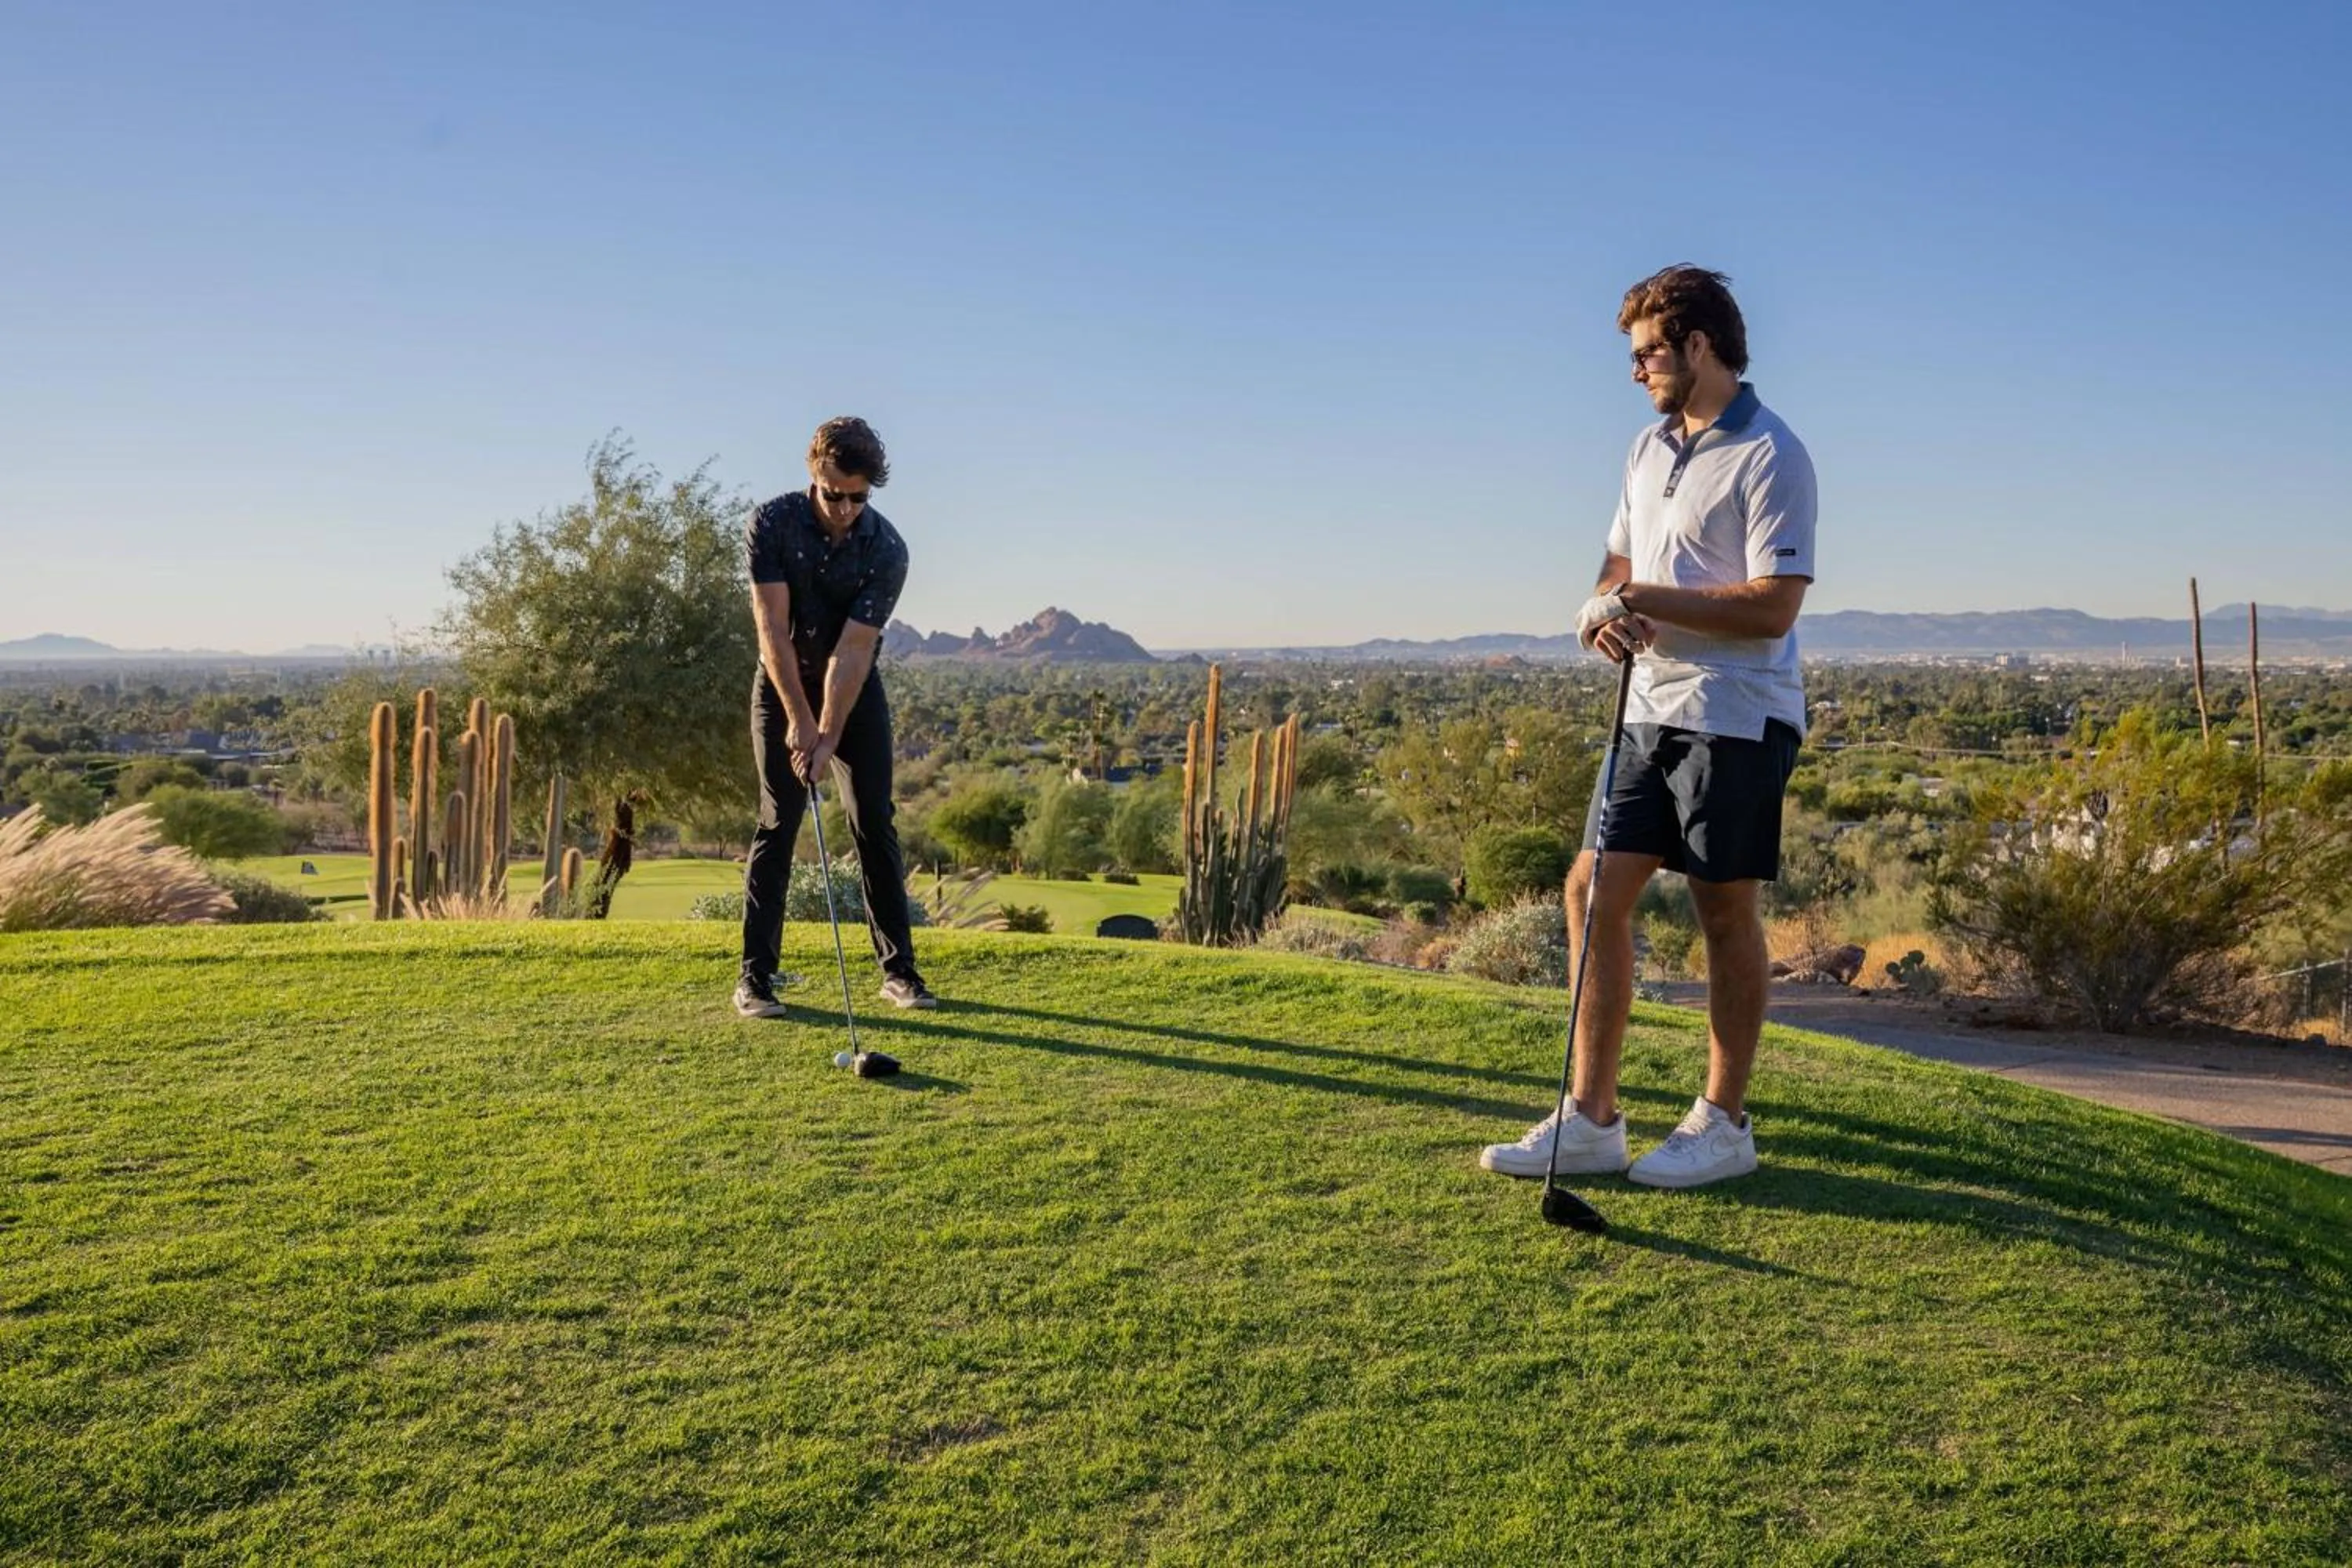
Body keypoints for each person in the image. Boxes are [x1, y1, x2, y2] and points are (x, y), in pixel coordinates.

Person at [1481, 265, 1817, 1189]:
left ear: (1700, 345)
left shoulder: (1772, 453)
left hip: (1738, 718)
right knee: (1591, 891)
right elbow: (1618, 564)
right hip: (1649, 707)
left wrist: (1639, 596)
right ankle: (1592, 1119)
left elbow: (1771, 606)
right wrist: (1605, 611)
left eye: (1649, 352)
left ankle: (1725, 1121)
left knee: (1722, 910)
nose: (1637, 371)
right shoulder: (1645, 449)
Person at [733, 416, 937, 1018]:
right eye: (834, 494)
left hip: (852, 691)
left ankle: (899, 973)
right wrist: (799, 721)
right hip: (781, 682)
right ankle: (755, 980)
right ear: (812, 473)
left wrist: (829, 732)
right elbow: (771, 631)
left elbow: (853, 651)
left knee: (874, 820)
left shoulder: (888, 548)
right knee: (779, 822)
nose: (847, 508)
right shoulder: (771, 525)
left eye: (859, 497)